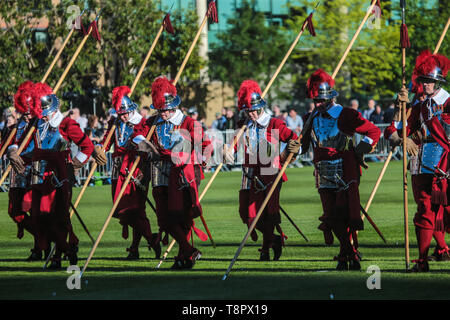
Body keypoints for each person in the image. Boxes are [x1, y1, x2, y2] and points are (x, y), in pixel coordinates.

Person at [301, 69, 381, 270]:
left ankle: (349, 253)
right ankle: (348, 255)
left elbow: (373, 131)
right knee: (331, 216)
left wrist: (360, 150)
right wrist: (294, 147)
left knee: (341, 214)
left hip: (345, 169)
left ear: (329, 98)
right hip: (323, 171)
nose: (317, 104)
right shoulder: (310, 118)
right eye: (314, 101)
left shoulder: (345, 114)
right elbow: (303, 145)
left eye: (320, 100)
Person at [131, 76, 213, 269]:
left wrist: (198, 161)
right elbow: (136, 134)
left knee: (181, 215)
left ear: (173, 106)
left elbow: (205, 145)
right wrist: (145, 144)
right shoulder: (152, 122)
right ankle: (188, 250)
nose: (164, 113)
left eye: (166, 109)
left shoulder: (188, 122)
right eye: (160, 110)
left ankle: (183, 254)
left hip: (184, 172)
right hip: (159, 171)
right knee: (163, 218)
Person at [385, 50, 450, 272]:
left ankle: (442, 250)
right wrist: (398, 108)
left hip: (446, 164)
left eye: (429, 81)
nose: (425, 85)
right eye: (423, 81)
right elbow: (397, 132)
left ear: (438, 82)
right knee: (424, 211)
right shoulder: (421, 107)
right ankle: (422, 261)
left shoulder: (449, 102)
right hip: (423, 165)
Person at [224, 80, 301, 261]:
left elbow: (295, 140)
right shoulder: (243, 125)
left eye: (253, 110)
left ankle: (266, 248)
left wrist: (285, 154)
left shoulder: (274, 123)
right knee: (246, 213)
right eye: (247, 111)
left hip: (270, 173)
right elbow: (234, 146)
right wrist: (227, 150)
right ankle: (274, 239)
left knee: (268, 213)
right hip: (249, 173)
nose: (250, 114)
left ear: (260, 108)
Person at [22, 83, 94, 269]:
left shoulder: (66, 124)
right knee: (38, 219)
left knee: (56, 219)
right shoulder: (36, 124)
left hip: (57, 178)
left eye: (44, 111)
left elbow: (87, 146)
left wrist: (74, 164)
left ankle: (59, 256)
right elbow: (29, 147)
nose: (42, 115)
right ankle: (68, 248)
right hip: (38, 177)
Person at [91, 86, 161, 260]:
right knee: (123, 210)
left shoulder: (142, 122)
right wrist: (99, 148)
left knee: (133, 210)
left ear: (131, 109)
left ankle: (149, 241)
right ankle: (138, 246)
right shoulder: (114, 122)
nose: (122, 116)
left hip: (136, 169)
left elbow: (146, 144)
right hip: (117, 170)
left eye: (125, 113)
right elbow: (107, 141)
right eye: (120, 113)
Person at [5, 81, 43, 261]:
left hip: (35, 172)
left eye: (30, 112)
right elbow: (7, 144)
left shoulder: (41, 125)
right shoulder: (16, 126)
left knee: (35, 211)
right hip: (17, 173)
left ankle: (39, 245)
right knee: (14, 211)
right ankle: (42, 238)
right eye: (25, 112)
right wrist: (11, 150)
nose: (27, 116)